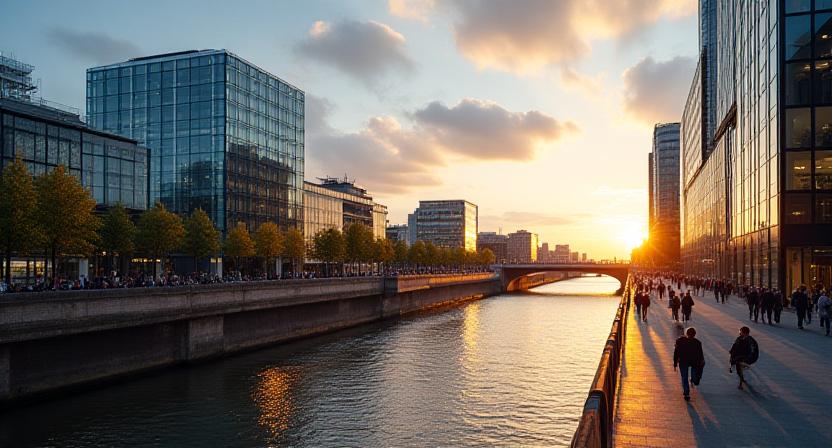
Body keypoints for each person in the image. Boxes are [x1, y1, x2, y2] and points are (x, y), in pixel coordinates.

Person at [673, 327, 705, 401]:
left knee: (684, 377)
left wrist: (675, 363)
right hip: (692, 362)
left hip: (686, 362)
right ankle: (687, 391)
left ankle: (687, 392)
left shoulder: (681, 341)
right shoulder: (696, 342)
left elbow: (676, 353)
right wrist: (701, 361)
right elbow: (700, 355)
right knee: (690, 377)